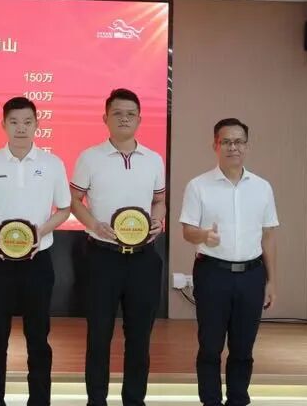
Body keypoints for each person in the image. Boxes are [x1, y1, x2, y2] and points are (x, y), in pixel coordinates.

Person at [0, 96, 71, 406]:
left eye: (27, 122)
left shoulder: (53, 164)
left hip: (37, 262)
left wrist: (39, 232)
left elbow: (64, 209)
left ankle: (38, 401)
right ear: (3, 125)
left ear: (37, 124)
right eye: (14, 122)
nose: (21, 128)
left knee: (38, 338)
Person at [70, 88, 166, 406]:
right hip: (102, 258)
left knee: (139, 338)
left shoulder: (153, 159)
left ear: (139, 119)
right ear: (105, 118)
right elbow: (74, 199)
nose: (124, 119)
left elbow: (159, 200)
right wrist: (93, 224)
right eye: (118, 113)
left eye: (130, 114)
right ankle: (96, 400)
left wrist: (158, 219)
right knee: (99, 336)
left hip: (143, 260)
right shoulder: (90, 158)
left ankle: (134, 400)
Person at [180, 118, 278, 406]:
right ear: (215, 145)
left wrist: (272, 281)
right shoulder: (198, 186)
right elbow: (187, 231)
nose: (233, 147)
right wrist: (204, 235)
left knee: (243, 348)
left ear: (247, 146)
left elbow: (268, 237)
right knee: (210, 347)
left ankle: (238, 399)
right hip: (213, 273)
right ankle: (210, 401)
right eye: (226, 142)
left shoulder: (262, 187)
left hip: (252, 275)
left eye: (238, 142)